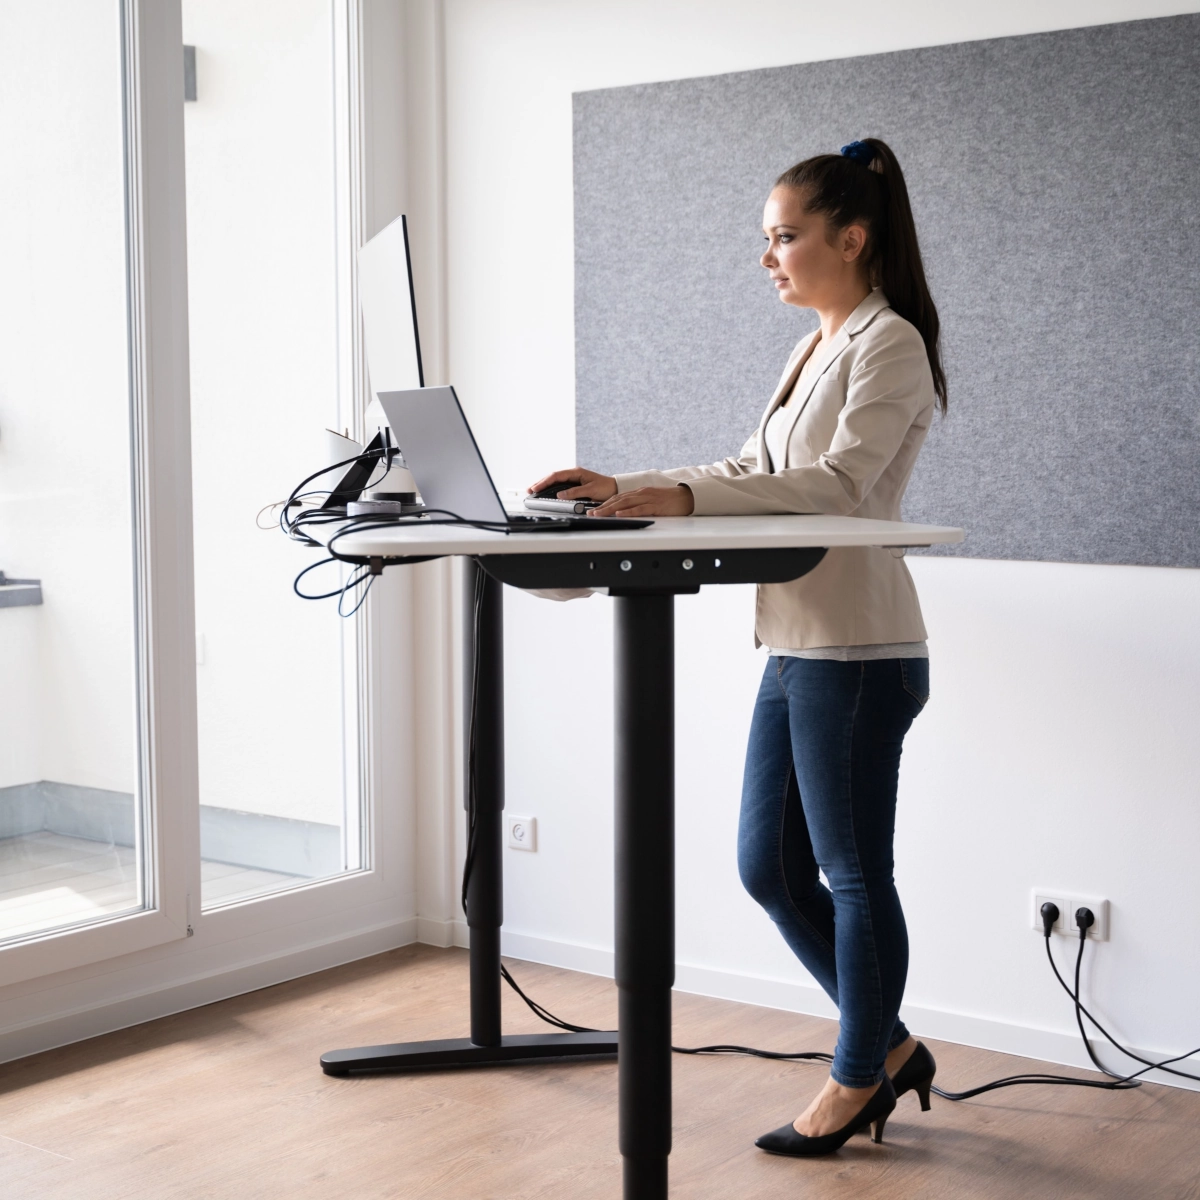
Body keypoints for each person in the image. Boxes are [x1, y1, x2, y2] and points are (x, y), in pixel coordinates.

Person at [529, 137, 944, 1157]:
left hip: (856, 646)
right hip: (800, 640)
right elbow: (750, 464)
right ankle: (886, 1047)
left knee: (851, 873)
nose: (768, 257)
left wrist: (687, 497)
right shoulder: (815, 344)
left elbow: (834, 486)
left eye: (784, 236)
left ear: (851, 237)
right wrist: (632, 486)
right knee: (768, 867)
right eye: (767, 239)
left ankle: (857, 1077)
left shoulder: (889, 342)